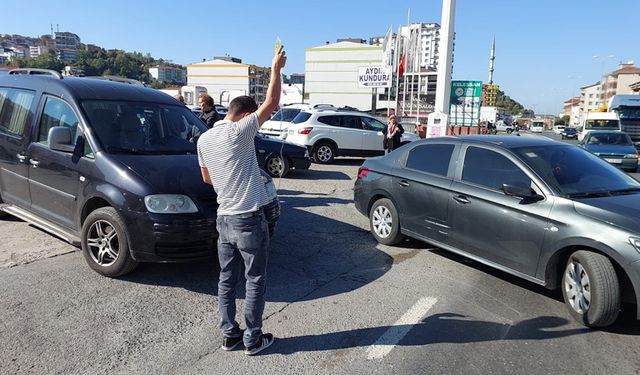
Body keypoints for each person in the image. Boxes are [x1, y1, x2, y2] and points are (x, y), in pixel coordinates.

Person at [197, 45, 286, 356]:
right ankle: (253, 339)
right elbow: (272, 102)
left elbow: (207, 179)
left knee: (225, 280)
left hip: (223, 220)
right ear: (246, 116)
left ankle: (229, 335)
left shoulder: (204, 138)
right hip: (248, 218)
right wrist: (276, 68)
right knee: (254, 280)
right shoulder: (240, 131)